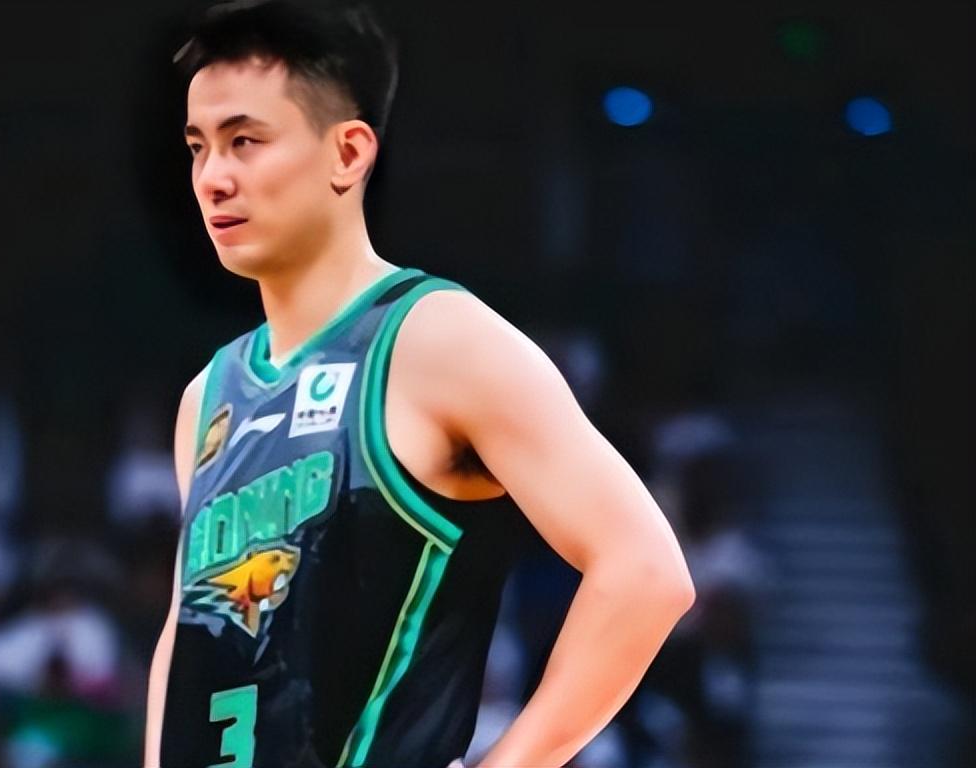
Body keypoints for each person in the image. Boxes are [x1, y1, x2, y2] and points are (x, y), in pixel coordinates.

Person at [144, 2, 695, 766]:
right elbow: (188, 637)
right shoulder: (207, 397)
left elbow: (646, 572)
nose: (213, 178)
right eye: (198, 147)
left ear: (348, 153)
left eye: (245, 141)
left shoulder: (437, 339)